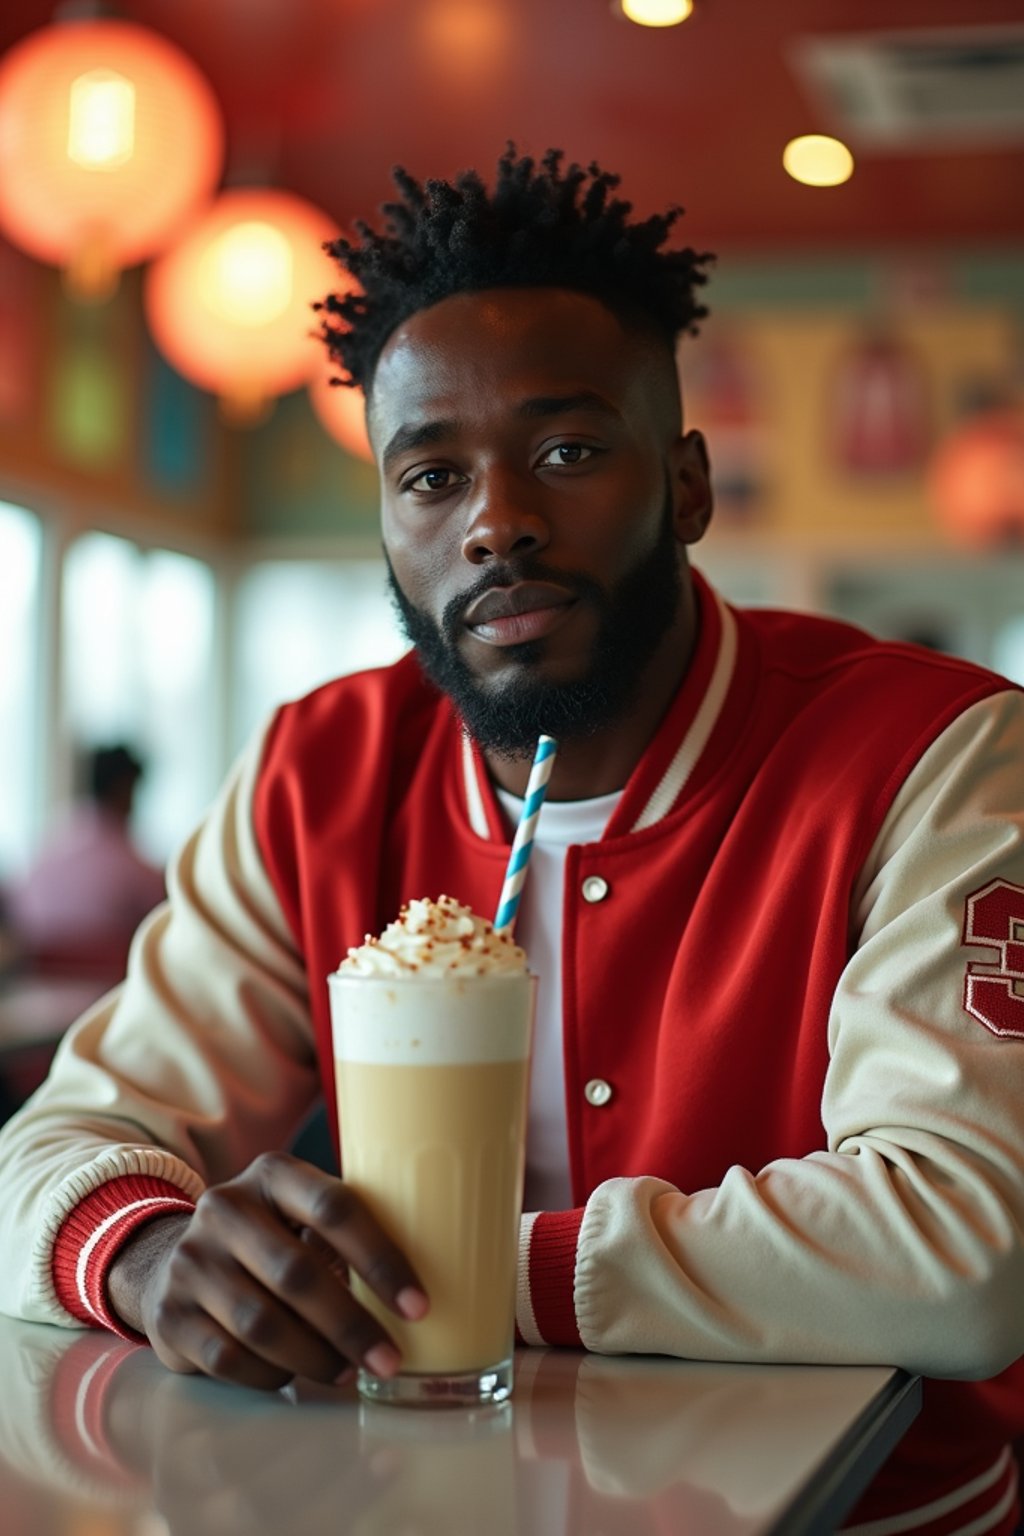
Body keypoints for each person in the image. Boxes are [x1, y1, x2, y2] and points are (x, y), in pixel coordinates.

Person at [0, 146, 1023, 1534]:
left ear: (688, 483)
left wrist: (467, 1278)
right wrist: (148, 1251)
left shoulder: (938, 754)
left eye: (567, 451)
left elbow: (963, 1248)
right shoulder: (319, 771)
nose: (496, 524)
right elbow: (62, 1141)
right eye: (429, 477)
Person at [6, 744, 165, 978]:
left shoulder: (51, 844)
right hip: (105, 989)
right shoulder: (127, 861)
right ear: (126, 787)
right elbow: (164, 912)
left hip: (38, 983)